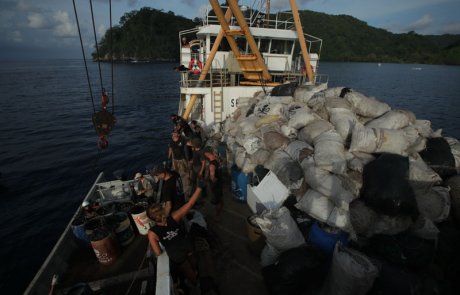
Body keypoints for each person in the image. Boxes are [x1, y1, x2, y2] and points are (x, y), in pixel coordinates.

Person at [146, 181, 205, 286]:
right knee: (192, 259)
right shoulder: (174, 216)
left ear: (151, 219)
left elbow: (158, 252)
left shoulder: (152, 233)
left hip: (176, 254)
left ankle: (196, 283)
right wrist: (199, 187)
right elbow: (190, 203)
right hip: (187, 244)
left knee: (187, 270)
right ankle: (197, 271)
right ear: (162, 210)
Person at [203, 146, 224, 220]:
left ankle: (217, 216)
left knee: (216, 201)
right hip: (220, 181)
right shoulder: (217, 158)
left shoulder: (212, 165)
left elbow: (212, 177)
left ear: (207, 153)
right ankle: (221, 207)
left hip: (216, 185)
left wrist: (209, 180)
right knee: (220, 198)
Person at [168, 131, 191, 197]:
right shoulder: (171, 141)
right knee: (176, 171)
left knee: (186, 170)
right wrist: (169, 156)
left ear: (178, 134)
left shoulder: (182, 139)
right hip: (175, 159)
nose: (173, 135)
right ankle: (178, 181)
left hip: (182, 159)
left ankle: (188, 178)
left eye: (175, 134)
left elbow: (189, 143)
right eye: (172, 134)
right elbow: (170, 149)